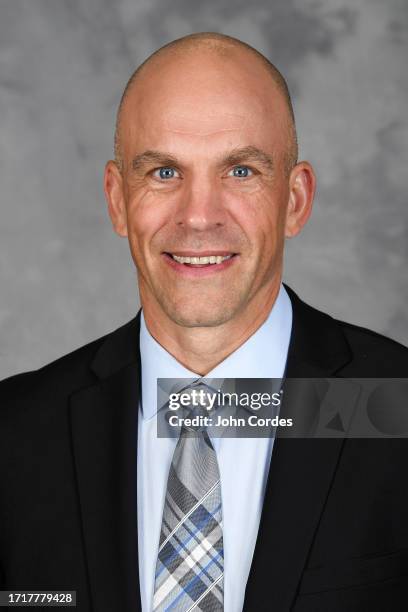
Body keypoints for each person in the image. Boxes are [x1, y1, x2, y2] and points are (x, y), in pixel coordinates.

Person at [1, 32, 407, 612]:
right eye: (164, 172)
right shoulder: (14, 436)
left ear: (294, 200)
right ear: (117, 200)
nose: (198, 216)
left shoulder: (396, 406)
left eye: (240, 171)